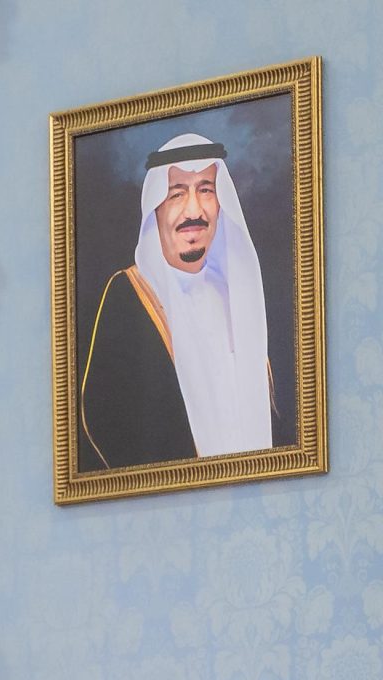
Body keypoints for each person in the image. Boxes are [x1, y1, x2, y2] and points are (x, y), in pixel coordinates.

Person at [77, 130, 274, 471]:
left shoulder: (236, 295)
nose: (193, 210)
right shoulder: (129, 296)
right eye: (177, 194)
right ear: (155, 207)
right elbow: (107, 417)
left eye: (206, 190)